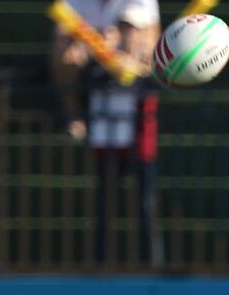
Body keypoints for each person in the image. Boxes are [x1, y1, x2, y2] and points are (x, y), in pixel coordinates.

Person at [50, 0, 162, 266]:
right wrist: (96, 48)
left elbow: (149, 44)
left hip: (137, 114)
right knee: (105, 201)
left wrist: (123, 54)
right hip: (102, 111)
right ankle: (102, 265)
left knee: (145, 201)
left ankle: (152, 266)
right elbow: (61, 42)